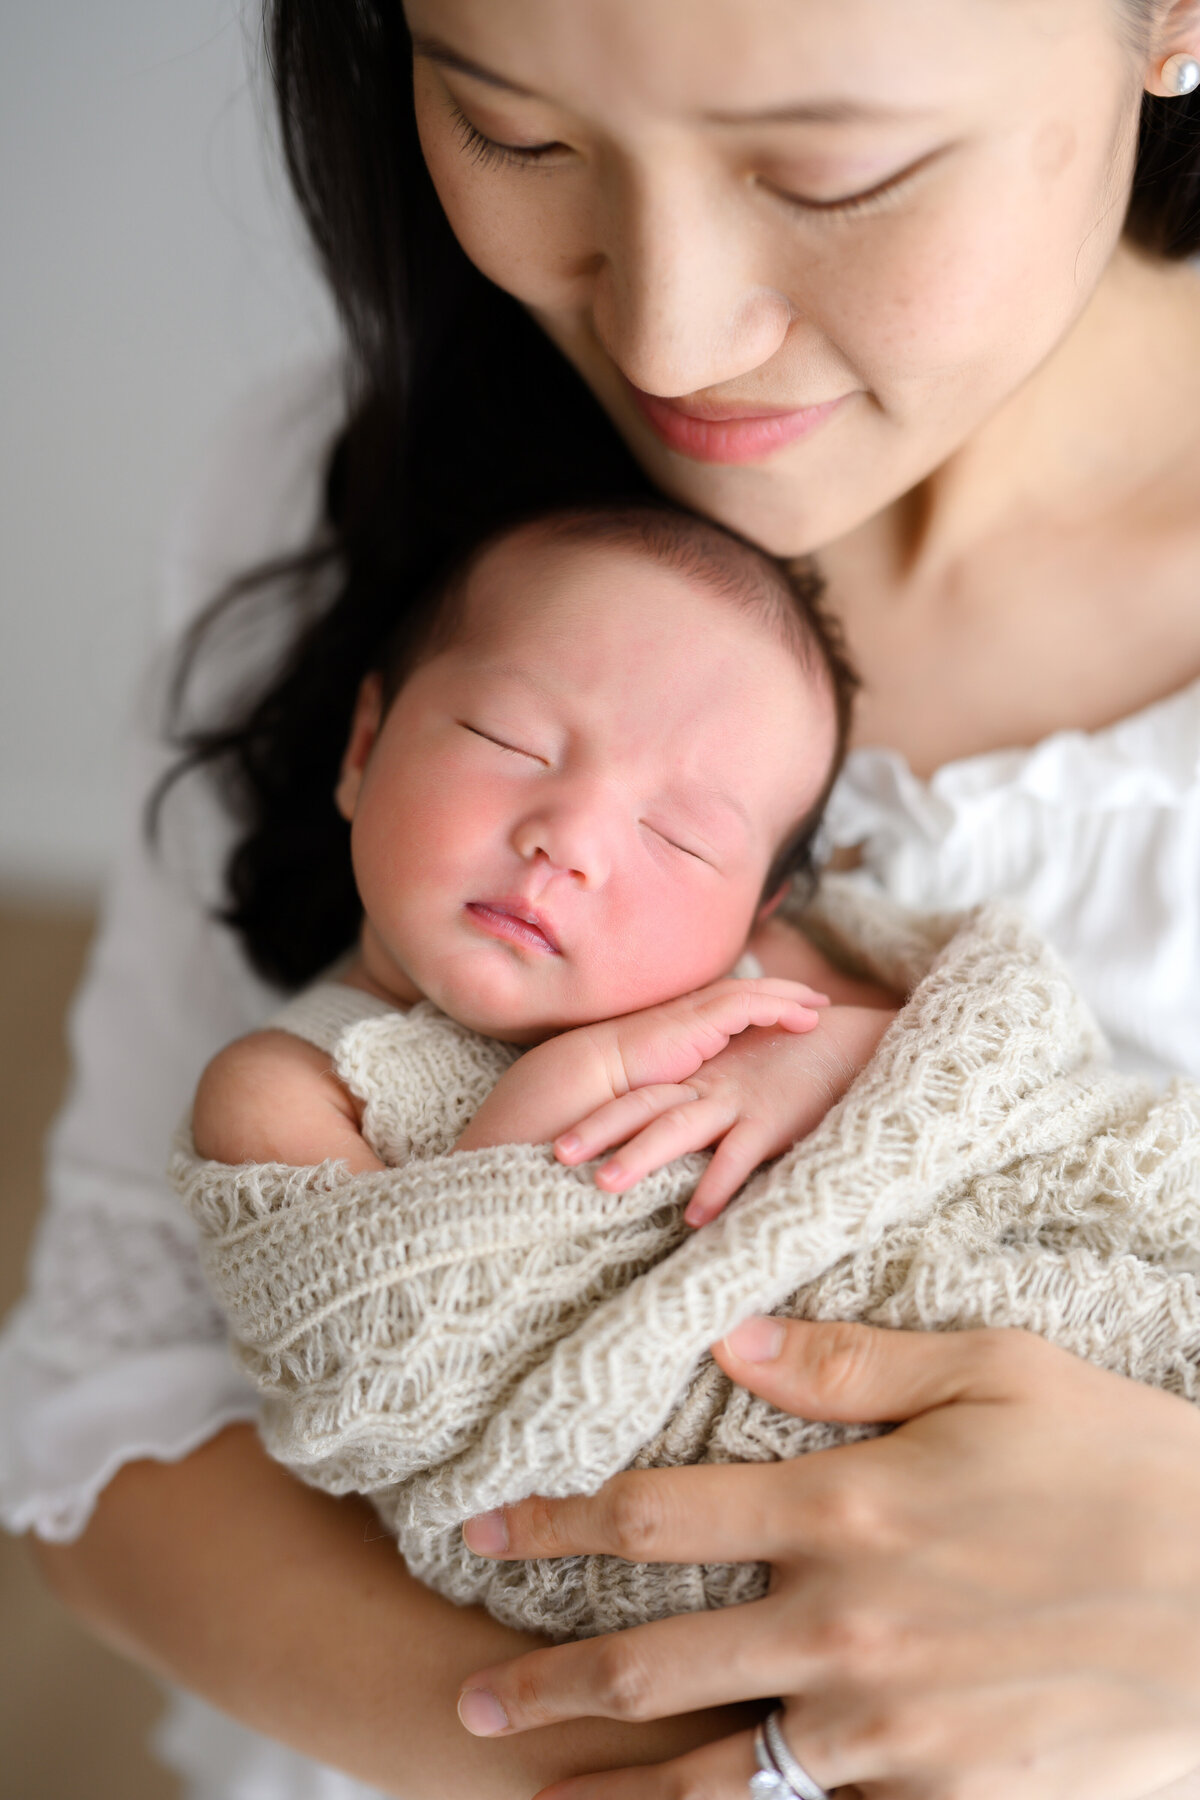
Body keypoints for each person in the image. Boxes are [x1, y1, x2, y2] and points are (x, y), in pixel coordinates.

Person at [6, 1, 1200, 1797]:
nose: (667, 333)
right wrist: (605, 1771)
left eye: (834, 172)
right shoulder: (371, 483)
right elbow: (105, 1424)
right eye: (520, 134)